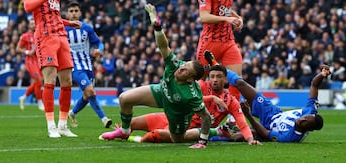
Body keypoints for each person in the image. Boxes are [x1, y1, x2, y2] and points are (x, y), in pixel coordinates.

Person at [99, 4, 212, 149]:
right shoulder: (175, 65)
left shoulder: (191, 95)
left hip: (177, 111)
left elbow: (206, 117)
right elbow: (164, 46)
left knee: (177, 140)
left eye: (185, 70)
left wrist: (202, 142)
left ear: (190, 79)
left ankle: (216, 131)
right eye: (184, 64)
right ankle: (125, 131)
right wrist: (157, 27)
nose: (181, 68)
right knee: (125, 98)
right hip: (161, 92)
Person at [106, 63, 261, 145]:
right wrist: (211, 98)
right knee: (130, 122)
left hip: (187, 128)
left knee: (155, 135)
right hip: (169, 115)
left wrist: (250, 139)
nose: (214, 79)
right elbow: (187, 98)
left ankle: (138, 140)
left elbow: (242, 123)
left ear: (225, 80)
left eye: (219, 77)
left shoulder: (231, 100)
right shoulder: (199, 86)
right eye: (212, 76)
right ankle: (124, 134)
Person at [204, 51, 329, 142]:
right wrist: (322, 75)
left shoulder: (290, 137)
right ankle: (216, 65)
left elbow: (265, 133)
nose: (303, 119)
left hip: (265, 129)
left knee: (238, 136)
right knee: (241, 84)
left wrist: (248, 115)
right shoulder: (311, 110)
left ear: (309, 129)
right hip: (271, 112)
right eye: (306, 117)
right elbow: (314, 85)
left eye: (306, 123)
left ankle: (205, 136)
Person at [22, 0, 81, 138]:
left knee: (67, 81)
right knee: (50, 80)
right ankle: (51, 126)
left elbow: (54, 16)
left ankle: (63, 125)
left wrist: (69, 22)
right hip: (45, 37)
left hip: (61, 36)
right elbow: (28, 7)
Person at [196, 0, 244, 123]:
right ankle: (196, 115)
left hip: (228, 41)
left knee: (237, 80)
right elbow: (204, 16)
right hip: (210, 43)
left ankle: (232, 121)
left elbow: (226, 8)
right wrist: (227, 19)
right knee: (199, 82)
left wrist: (237, 17)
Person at [64, 1, 112, 128]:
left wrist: (98, 50)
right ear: (67, 14)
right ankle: (104, 119)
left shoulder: (87, 28)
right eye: (71, 11)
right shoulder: (63, 29)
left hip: (88, 66)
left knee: (87, 95)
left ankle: (72, 113)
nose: (74, 14)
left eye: (76, 11)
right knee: (90, 91)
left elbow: (98, 43)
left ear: (80, 13)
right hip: (74, 67)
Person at [16, 19, 44, 111]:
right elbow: (18, 48)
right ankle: (39, 102)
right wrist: (28, 52)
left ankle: (24, 97)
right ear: (29, 25)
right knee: (39, 81)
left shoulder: (40, 34)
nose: (33, 25)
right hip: (30, 61)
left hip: (39, 60)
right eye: (31, 23)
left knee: (38, 82)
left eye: (34, 23)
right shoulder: (25, 36)